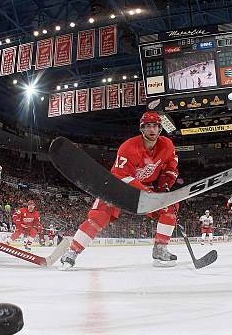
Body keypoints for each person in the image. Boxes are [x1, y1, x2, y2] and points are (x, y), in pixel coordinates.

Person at [60, 111, 180, 269]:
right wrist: (145, 191)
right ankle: (72, 252)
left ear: (160, 129)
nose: (152, 130)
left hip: (147, 188)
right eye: (148, 126)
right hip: (117, 187)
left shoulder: (167, 145)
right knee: (98, 218)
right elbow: (121, 176)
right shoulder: (129, 147)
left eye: (155, 126)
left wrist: (164, 185)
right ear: (141, 129)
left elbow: (171, 166)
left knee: (171, 205)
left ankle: (160, 249)